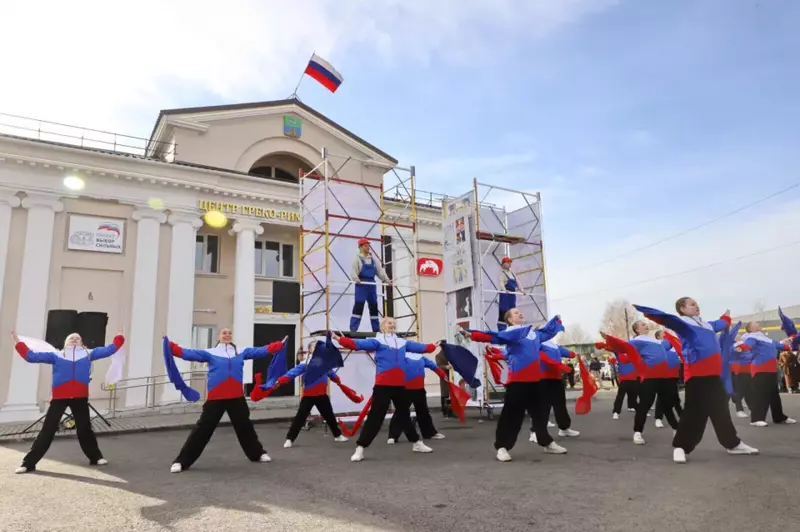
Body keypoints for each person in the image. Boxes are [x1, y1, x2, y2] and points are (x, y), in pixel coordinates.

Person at [636, 298, 759, 464]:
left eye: (696, 303)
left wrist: (726, 317)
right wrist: (653, 314)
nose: (696, 306)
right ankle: (680, 447)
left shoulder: (706, 324)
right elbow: (669, 320)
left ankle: (733, 444)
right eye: (692, 304)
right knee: (694, 412)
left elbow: (720, 324)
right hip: (697, 375)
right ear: (683, 309)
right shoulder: (684, 323)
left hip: (713, 376)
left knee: (720, 410)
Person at [165, 328, 284, 473]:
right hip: (216, 398)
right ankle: (181, 461)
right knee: (202, 429)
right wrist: (172, 347)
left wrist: (274, 347)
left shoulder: (241, 351)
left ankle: (258, 454)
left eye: (229, 333)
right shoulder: (210, 353)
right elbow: (188, 354)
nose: (227, 335)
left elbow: (260, 351)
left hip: (236, 397)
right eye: (224, 333)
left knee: (245, 427)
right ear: (219, 336)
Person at [11, 329, 124, 474]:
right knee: (48, 430)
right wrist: (18, 342)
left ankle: (95, 457)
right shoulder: (56, 355)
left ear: (82, 342)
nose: (75, 339)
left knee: (85, 429)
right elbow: (30, 356)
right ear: (66, 342)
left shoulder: (89, 353)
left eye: (78, 338)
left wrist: (120, 336)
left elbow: (110, 349)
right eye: (72, 338)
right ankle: (28, 464)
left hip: (80, 397)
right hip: (59, 398)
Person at [462, 310, 567, 462]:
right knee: (512, 416)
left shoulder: (533, 334)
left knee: (541, 414)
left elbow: (547, 333)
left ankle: (546, 442)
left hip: (536, 381)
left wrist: (555, 321)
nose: (520, 314)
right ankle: (502, 447)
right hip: (518, 382)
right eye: (516, 313)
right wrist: (472, 334)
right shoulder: (510, 334)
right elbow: (492, 337)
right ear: (510, 320)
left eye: (520, 312)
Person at [332, 317, 437, 462]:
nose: (392, 325)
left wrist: (432, 346)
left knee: (404, 415)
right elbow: (358, 344)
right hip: (383, 385)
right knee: (376, 416)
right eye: (389, 323)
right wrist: (340, 339)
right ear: (383, 327)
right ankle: (360, 448)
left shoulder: (402, 342)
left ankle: (417, 443)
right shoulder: (378, 341)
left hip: (400, 385)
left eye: (394, 323)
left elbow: (420, 347)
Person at [601, 322, 680, 446]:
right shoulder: (637, 341)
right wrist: (609, 339)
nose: (646, 326)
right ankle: (637, 432)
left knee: (667, 404)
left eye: (645, 324)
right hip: (649, 376)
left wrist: (674, 331)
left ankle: (676, 429)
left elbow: (669, 343)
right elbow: (624, 348)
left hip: (665, 376)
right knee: (645, 405)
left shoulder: (656, 341)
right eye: (642, 325)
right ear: (637, 330)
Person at [278, 342, 354, 448]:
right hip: (309, 396)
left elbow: (331, 373)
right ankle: (289, 439)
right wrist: (281, 380)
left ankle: (338, 435)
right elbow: (293, 373)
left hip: (322, 395)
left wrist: (337, 379)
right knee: (300, 418)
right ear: (310, 350)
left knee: (330, 416)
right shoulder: (305, 363)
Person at [739, 322, 795, 427]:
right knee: (760, 395)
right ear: (751, 328)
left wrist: (790, 342)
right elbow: (747, 346)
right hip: (760, 369)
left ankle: (779, 417)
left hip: (771, 370)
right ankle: (756, 419)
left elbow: (781, 346)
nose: (758, 323)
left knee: (774, 396)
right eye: (755, 323)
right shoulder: (752, 337)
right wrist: (741, 347)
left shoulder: (765, 338)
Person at [387, 348, 448, 443]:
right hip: (404, 389)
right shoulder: (400, 357)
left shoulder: (421, 358)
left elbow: (433, 366)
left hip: (419, 389)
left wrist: (442, 374)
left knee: (423, 411)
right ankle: (393, 436)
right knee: (400, 412)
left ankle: (429, 433)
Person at [534, 341, 579, 439]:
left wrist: (574, 354)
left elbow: (570, 354)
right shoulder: (538, 344)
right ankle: (535, 432)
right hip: (543, 378)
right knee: (543, 406)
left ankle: (564, 428)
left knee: (560, 404)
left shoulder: (555, 346)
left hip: (557, 378)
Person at [349, 238, 391, 332]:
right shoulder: (357, 259)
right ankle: (353, 328)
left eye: (368, 245)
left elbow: (380, 271)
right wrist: (357, 279)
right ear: (360, 247)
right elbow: (353, 272)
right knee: (359, 305)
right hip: (362, 284)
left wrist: (387, 280)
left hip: (371, 284)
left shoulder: (373, 259)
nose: (368, 247)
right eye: (365, 246)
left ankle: (376, 329)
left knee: (373, 306)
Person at [596, 342, 640, 419]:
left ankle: (637, 409)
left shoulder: (635, 351)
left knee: (634, 395)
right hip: (624, 378)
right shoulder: (619, 352)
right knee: (620, 396)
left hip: (634, 377)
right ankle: (616, 412)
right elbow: (611, 347)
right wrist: (603, 345)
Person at [653, 329, 683, 428]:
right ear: (658, 337)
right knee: (662, 397)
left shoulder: (673, 345)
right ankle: (658, 418)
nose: (665, 334)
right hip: (662, 374)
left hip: (673, 374)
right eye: (663, 333)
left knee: (675, 397)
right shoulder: (659, 344)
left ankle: (682, 416)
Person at [730, 337, 753, 418]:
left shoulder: (745, 346)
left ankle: (751, 408)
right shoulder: (736, 346)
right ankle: (739, 410)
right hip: (739, 370)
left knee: (748, 391)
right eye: (738, 336)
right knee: (740, 391)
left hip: (748, 370)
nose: (740, 337)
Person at [497, 257, 521, 331]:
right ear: (503, 264)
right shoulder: (502, 273)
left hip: (512, 295)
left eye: (510, 262)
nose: (509, 264)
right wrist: (504, 290)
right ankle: (502, 330)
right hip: (505, 295)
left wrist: (522, 290)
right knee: (503, 312)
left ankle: (514, 329)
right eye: (507, 262)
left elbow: (518, 282)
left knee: (513, 312)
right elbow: (501, 283)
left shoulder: (512, 273)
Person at [435, 349, 455, 417]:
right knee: (445, 394)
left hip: (452, 376)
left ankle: (451, 411)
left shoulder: (451, 353)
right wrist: (446, 367)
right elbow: (438, 366)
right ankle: (444, 410)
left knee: (452, 394)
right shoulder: (439, 355)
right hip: (445, 377)